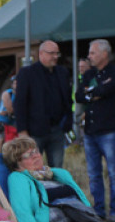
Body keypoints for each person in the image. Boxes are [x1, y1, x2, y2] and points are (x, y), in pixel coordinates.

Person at [78, 39, 115, 222]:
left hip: (108, 131)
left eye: (92, 53)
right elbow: (79, 95)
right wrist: (94, 93)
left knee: (114, 172)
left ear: (104, 54)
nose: (89, 56)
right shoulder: (89, 74)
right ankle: (98, 210)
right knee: (93, 174)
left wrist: (92, 92)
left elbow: (107, 90)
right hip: (90, 131)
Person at [13, 40, 72, 168]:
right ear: (41, 54)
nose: (55, 57)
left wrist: (67, 122)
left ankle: (54, 183)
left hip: (57, 130)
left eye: (57, 53)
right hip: (34, 131)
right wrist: (22, 131)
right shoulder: (27, 73)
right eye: (51, 53)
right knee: (32, 167)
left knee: (57, 168)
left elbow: (68, 99)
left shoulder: (62, 73)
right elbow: (20, 103)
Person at [0, 76, 17, 154]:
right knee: (2, 138)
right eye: (15, 83)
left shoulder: (21, 94)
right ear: (12, 85)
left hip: (12, 120)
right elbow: (9, 108)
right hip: (2, 119)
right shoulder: (7, 93)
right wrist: (8, 112)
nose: (17, 85)